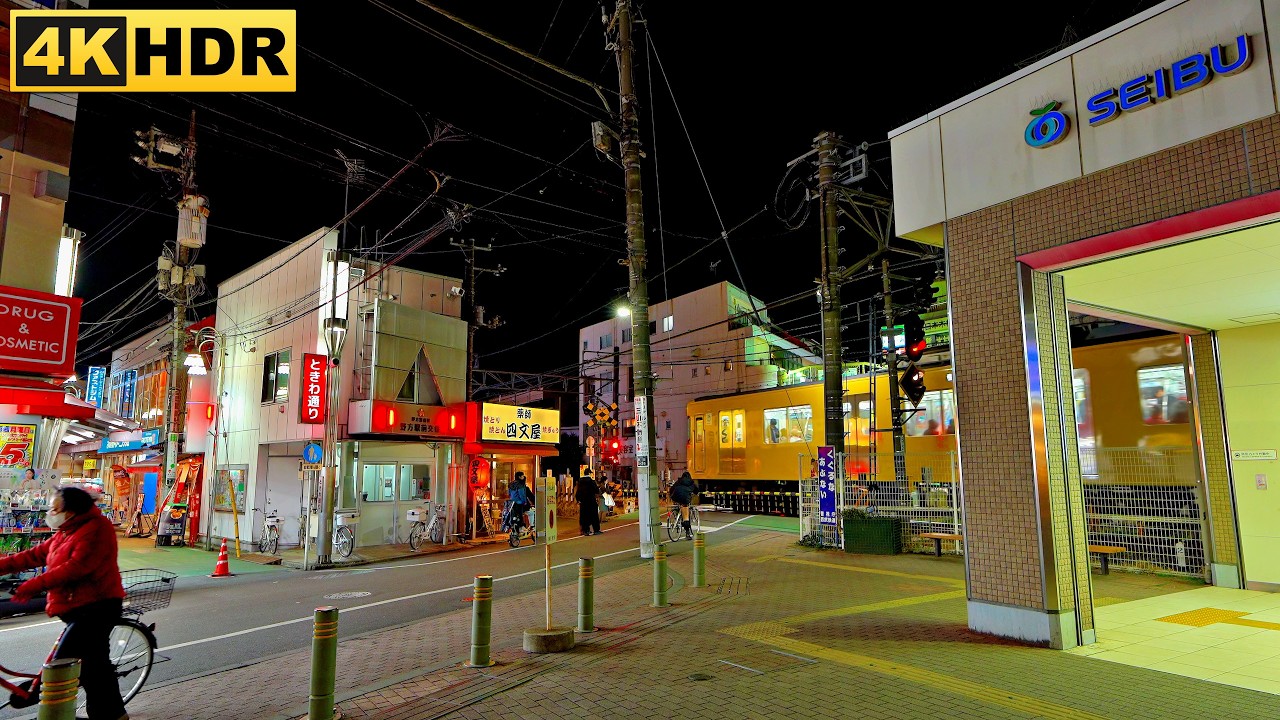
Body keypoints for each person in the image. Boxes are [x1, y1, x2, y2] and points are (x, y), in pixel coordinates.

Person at [0, 486, 128, 720]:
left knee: (65, 661)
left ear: (71, 511)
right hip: (75, 607)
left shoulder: (98, 529)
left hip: (97, 607)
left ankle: (59, 708)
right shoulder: (66, 531)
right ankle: (114, 715)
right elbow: (34, 555)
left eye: (55, 508)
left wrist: (33, 585)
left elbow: (76, 568)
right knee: (93, 665)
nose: (51, 513)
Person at [669, 471, 700, 540]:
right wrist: (697, 493)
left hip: (675, 497)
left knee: (679, 505)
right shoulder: (691, 482)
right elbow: (696, 491)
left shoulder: (678, 481)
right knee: (686, 517)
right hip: (684, 498)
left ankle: (677, 514)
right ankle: (687, 533)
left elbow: (671, 489)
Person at [576, 469, 601, 536]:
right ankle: (596, 530)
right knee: (594, 515)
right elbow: (596, 490)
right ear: (589, 473)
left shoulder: (580, 481)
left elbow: (578, 491)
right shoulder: (591, 481)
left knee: (584, 516)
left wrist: (578, 499)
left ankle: (585, 530)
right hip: (591, 501)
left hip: (583, 502)